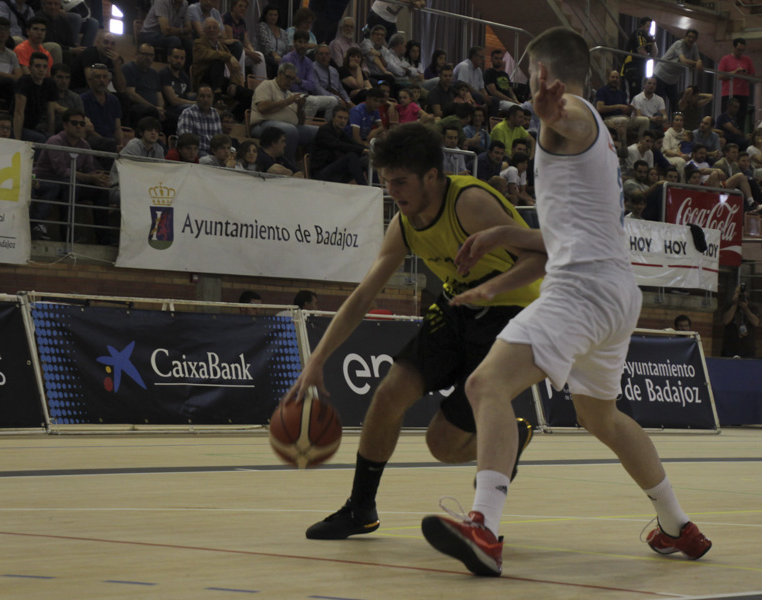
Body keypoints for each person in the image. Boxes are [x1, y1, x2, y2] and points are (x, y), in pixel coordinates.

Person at [419, 27, 710, 577]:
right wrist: (504, 238)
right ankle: (677, 525)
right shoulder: (597, 139)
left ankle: (484, 527)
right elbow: (566, 235)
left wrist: (555, 113)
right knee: (600, 414)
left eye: (529, 74)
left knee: (486, 386)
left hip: (581, 290)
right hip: (616, 292)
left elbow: (566, 120)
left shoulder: (570, 117)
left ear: (543, 74)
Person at [288, 123, 541, 544]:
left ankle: (510, 437)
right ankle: (360, 509)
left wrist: (491, 288)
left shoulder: (470, 203)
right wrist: (316, 360)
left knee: (441, 444)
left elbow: (540, 258)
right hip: (457, 308)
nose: (393, 191)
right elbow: (363, 295)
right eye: (387, 182)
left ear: (431, 176)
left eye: (400, 182)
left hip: (511, 313)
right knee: (388, 394)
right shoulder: (404, 224)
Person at [31, 108, 110, 241]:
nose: (79, 126)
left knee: (101, 191)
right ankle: (68, 234)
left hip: (70, 183)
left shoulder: (85, 145)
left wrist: (99, 179)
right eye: (74, 123)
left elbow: (90, 169)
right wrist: (91, 177)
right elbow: (61, 171)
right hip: (49, 182)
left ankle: (105, 238)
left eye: (82, 124)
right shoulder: (55, 141)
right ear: (65, 125)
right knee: (72, 185)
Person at [281, 31, 340, 118]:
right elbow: (285, 83)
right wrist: (303, 83)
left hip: (305, 95)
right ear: (294, 42)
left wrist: (299, 81)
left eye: (305, 42)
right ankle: (303, 127)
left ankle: (326, 129)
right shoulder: (287, 59)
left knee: (333, 101)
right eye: (300, 42)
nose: (302, 45)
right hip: (289, 94)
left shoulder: (308, 62)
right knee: (313, 101)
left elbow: (311, 85)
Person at [310, 105, 366, 183]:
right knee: (351, 156)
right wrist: (363, 150)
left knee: (366, 159)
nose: (342, 121)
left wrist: (368, 150)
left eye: (345, 118)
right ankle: (365, 188)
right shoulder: (324, 131)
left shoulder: (341, 132)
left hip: (334, 170)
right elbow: (339, 145)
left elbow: (353, 144)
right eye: (340, 117)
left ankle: (378, 189)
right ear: (333, 118)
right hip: (320, 173)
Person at [653, 28, 701, 114]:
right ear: (685, 36)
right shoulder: (679, 44)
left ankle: (675, 123)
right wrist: (696, 63)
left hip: (672, 79)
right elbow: (684, 61)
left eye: (693, 38)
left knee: (675, 103)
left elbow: (699, 61)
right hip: (661, 75)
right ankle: (658, 123)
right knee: (658, 101)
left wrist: (699, 62)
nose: (691, 39)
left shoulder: (694, 46)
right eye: (689, 36)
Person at [596, 69, 647, 147]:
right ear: (608, 78)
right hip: (608, 118)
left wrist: (630, 109)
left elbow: (625, 111)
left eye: (617, 78)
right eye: (612, 77)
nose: (614, 79)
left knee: (645, 120)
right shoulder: (602, 91)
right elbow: (600, 108)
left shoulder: (621, 93)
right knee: (622, 120)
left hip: (623, 118)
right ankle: (622, 149)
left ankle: (641, 146)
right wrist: (618, 106)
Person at [12, 50, 56, 142]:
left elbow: (50, 114)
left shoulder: (50, 84)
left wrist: (52, 139)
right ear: (30, 68)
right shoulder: (24, 81)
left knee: (52, 139)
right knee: (39, 138)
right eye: (37, 66)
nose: (41, 69)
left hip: (33, 127)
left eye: (44, 67)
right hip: (17, 126)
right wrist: (17, 141)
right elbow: (18, 113)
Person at [79, 62, 122, 153]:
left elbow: (117, 128)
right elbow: (88, 130)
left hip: (110, 142)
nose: (102, 80)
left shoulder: (114, 100)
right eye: (98, 77)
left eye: (105, 77)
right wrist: (109, 143)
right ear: (90, 80)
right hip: (91, 140)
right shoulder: (83, 99)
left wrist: (120, 145)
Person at [717, 38, 754, 132]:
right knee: (727, 118)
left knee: (741, 118)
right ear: (733, 47)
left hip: (743, 93)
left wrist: (745, 75)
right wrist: (734, 73)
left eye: (742, 50)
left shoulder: (747, 60)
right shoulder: (725, 59)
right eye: (738, 49)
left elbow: (753, 77)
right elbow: (720, 76)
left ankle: (739, 139)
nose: (740, 52)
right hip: (729, 92)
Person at [177, 83, 222, 155]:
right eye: (202, 96)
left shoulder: (215, 114)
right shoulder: (188, 113)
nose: (206, 99)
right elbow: (185, 140)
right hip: (196, 152)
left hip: (213, 153)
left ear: (213, 98)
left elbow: (219, 140)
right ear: (196, 97)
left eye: (209, 96)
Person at [722, 284, 758, 358]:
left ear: (747, 294)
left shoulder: (752, 307)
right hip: (730, 348)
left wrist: (746, 309)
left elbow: (756, 322)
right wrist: (734, 305)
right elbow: (726, 321)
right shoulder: (728, 306)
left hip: (748, 349)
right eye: (737, 293)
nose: (740, 295)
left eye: (742, 293)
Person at [159, 46, 194, 114]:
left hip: (183, 104)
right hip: (171, 109)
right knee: (190, 109)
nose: (179, 61)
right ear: (169, 58)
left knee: (203, 97)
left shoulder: (185, 77)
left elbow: (189, 95)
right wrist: (196, 103)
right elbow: (173, 101)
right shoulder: (164, 74)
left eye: (182, 58)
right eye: (176, 57)